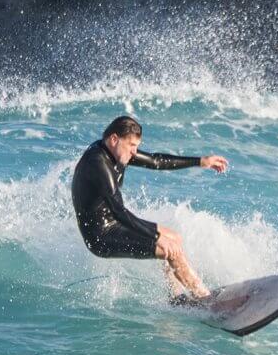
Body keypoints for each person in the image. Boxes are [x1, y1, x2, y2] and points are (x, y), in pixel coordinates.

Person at [71, 116, 228, 299]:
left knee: (174, 239)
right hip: (101, 236)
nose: (134, 152)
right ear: (114, 139)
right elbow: (119, 211)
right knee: (169, 250)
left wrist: (201, 161)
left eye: (136, 146)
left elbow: (156, 161)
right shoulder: (97, 163)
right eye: (131, 146)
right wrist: (155, 237)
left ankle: (175, 297)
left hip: (114, 223)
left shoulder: (116, 152)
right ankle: (204, 297)